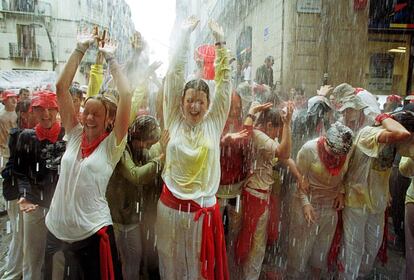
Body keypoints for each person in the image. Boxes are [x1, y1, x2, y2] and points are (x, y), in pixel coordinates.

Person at [44, 30, 131, 279]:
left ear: (108, 120)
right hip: (56, 230)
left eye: (97, 114)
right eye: (87, 112)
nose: (90, 117)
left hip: (92, 233)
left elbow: (125, 95)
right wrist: (80, 49)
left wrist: (111, 60)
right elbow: (61, 87)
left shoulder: (112, 146)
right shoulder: (73, 134)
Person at [155, 17, 230, 280]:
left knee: (198, 271)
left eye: (200, 101)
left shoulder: (213, 124)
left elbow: (224, 84)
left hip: (202, 212)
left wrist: (220, 43)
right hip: (170, 210)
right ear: (181, 101)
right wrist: (185, 36)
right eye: (190, 100)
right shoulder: (173, 118)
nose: (195, 106)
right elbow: (175, 73)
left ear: (209, 105)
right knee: (170, 266)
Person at [339, 111, 411, 280]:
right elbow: (402, 133)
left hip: (378, 201)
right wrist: (383, 117)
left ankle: (360, 275)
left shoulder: (399, 142)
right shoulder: (369, 133)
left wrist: (386, 193)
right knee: (354, 247)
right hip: (356, 198)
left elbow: (401, 168)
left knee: (373, 246)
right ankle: (347, 276)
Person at [287, 122, 353, 279]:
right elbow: (299, 179)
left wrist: (341, 192)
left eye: (339, 155)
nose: (336, 157)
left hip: (330, 207)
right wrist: (305, 203)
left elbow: (346, 175)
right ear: (325, 141)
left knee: (321, 252)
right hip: (307, 204)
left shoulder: (347, 152)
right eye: (333, 152)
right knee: (299, 252)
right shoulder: (309, 149)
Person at [234, 104, 293, 280]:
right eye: (278, 130)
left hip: (258, 195)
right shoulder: (259, 136)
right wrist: (288, 124)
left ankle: (245, 274)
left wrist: (298, 175)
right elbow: (284, 153)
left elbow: (287, 157)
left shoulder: (266, 137)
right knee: (252, 245)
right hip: (255, 195)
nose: (278, 134)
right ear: (269, 125)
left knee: (251, 242)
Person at [106, 115, 168, 280]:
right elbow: (136, 175)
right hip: (115, 218)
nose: (147, 148)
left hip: (132, 218)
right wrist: (161, 159)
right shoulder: (122, 147)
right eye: (147, 143)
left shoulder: (140, 149)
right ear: (138, 136)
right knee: (115, 264)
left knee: (133, 262)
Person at [13, 92, 65, 280]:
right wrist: (24, 195)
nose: (46, 114)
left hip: (60, 207)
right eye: (40, 109)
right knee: (32, 258)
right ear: (33, 112)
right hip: (33, 206)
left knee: (59, 258)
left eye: (51, 108)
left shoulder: (67, 135)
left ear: (57, 110)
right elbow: (19, 171)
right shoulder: (26, 137)